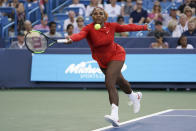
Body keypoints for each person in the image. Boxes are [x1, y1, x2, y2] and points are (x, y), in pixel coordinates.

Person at [63, 7, 150, 127]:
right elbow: (80, 35)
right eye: (95, 14)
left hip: (117, 55)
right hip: (103, 62)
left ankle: (115, 116)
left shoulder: (112, 26)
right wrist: (71, 38)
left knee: (109, 80)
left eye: (100, 13)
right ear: (92, 16)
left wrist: (143, 27)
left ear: (104, 16)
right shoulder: (88, 29)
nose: (98, 15)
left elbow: (127, 27)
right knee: (121, 82)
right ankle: (135, 96)